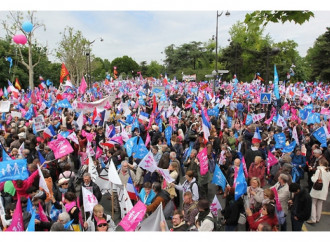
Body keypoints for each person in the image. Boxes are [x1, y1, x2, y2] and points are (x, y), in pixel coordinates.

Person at [306, 159, 330, 224]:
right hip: (324, 190)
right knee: (320, 204)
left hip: (317, 189)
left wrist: (312, 177)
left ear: (321, 164)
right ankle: (318, 218)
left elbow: (314, 180)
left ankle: (313, 219)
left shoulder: (318, 170)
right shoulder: (328, 171)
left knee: (313, 203)